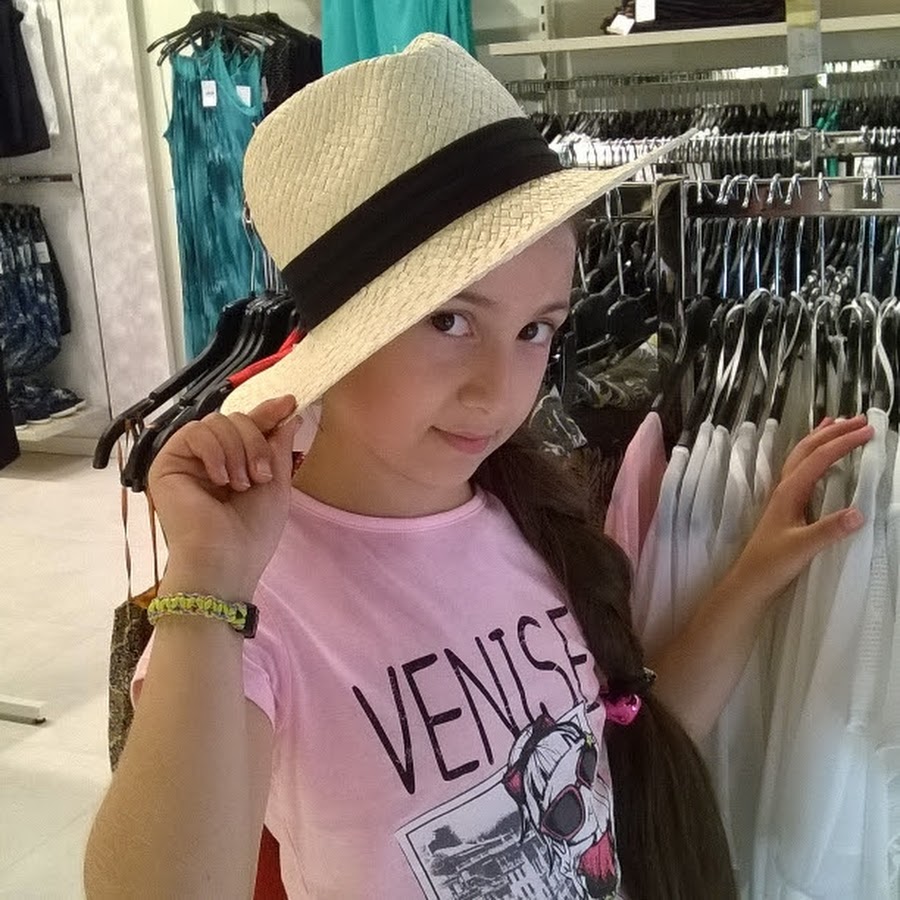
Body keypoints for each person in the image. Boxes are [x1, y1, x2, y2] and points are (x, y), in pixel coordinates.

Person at [84, 34, 872, 900]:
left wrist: (754, 576)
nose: (501, 390)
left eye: (536, 329)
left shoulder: (533, 518)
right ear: (336, 336)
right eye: (450, 321)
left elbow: (629, 755)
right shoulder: (257, 598)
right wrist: (206, 581)